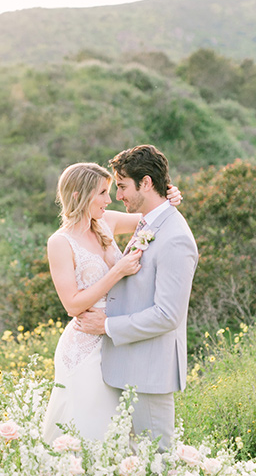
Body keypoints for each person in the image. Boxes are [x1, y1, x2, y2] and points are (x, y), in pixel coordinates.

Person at [42, 160, 182, 444]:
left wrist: (171, 197)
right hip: (86, 344)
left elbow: (152, 215)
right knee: (89, 428)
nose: (111, 199)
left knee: (118, 429)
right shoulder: (60, 243)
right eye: (103, 193)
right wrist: (117, 271)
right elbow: (72, 304)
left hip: (115, 337)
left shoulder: (107, 222)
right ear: (79, 195)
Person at [75, 145, 198, 451]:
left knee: (157, 464)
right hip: (130, 367)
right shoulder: (150, 221)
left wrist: (107, 325)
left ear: (145, 183)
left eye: (122, 186)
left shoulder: (176, 237)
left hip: (150, 373)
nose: (118, 196)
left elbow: (168, 316)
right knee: (135, 465)